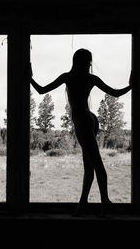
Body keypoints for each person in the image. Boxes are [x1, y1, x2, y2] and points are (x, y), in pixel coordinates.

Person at [29, 48, 132, 216]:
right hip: (90, 119)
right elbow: (115, 92)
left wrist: (29, 78)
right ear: (88, 62)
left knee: (96, 164)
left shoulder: (67, 77)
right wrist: (131, 85)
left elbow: (41, 90)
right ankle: (83, 204)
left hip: (82, 122)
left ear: (74, 61)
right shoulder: (91, 78)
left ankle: (105, 203)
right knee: (90, 165)